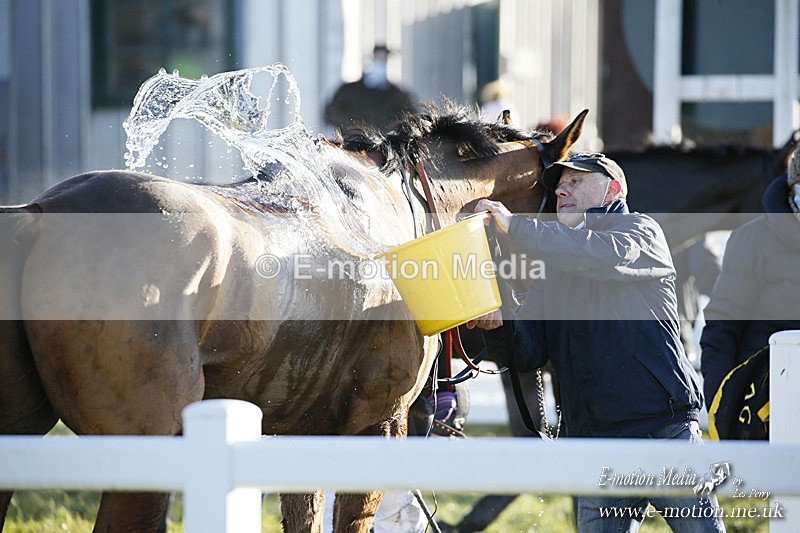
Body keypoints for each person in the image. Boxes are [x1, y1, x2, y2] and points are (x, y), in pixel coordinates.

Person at [470, 153, 725, 532]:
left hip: (665, 432)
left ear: (614, 189)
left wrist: (517, 228)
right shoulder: (554, 266)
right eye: (559, 184)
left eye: (575, 181)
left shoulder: (642, 231)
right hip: (596, 445)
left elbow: (597, 255)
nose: (561, 189)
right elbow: (526, 352)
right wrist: (496, 325)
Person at [699, 144, 800, 437]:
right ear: (792, 188)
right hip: (763, 403)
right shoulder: (753, 239)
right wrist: (723, 401)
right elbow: (722, 325)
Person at [324, 44, 416, 132]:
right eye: (378, 58)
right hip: (351, 143)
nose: (380, 63)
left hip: (382, 145)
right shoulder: (349, 90)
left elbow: (410, 118)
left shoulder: (398, 96)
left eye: (383, 59)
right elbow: (330, 114)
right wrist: (354, 125)